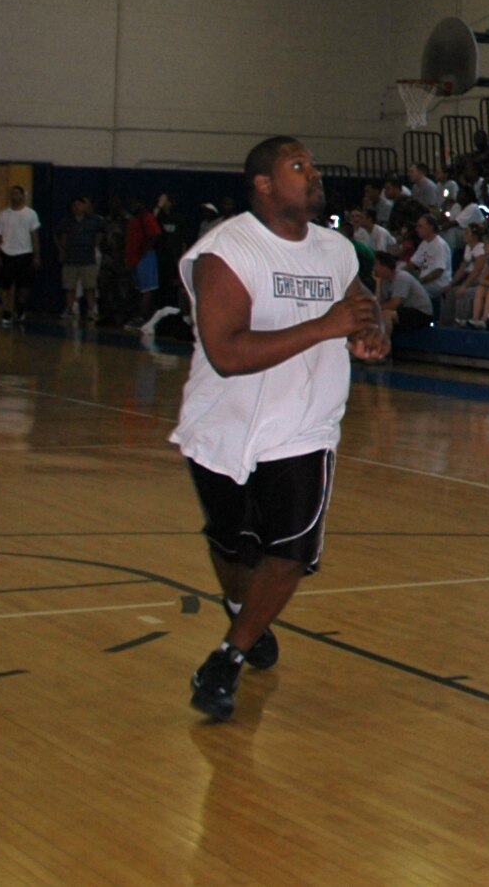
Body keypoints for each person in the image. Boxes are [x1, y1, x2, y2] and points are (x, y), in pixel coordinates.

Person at [174, 136, 389, 722]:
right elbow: (225, 353)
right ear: (264, 184)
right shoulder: (226, 252)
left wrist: (370, 329)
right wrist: (325, 327)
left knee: (290, 553)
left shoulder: (336, 249)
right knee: (232, 544)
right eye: (300, 166)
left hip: (305, 426)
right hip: (225, 423)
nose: (314, 175)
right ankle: (242, 607)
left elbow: (357, 297)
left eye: (314, 166)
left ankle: (228, 656)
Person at [0, 184, 41, 326]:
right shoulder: (3, 214)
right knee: (4, 287)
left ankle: (20, 309)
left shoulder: (31, 214)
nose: (14, 197)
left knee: (24, 288)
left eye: (17, 194)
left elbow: (34, 236)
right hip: (7, 254)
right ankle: (6, 311)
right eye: (12, 194)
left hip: (25, 254)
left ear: (22, 196)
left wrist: (37, 255)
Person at [56, 195, 106, 323]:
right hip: (71, 258)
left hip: (87, 257)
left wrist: (94, 244)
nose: (77, 207)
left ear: (85, 206)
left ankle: (91, 310)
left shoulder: (94, 220)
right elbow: (61, 236)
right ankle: (69, 309)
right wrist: (62, 250)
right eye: (74, 205)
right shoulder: (67, 221)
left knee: (90, 286)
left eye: (79, 204)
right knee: (69, 286)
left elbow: (101, 232)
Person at [374, 251, 435, 334]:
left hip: (421, 313)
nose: (374, 268)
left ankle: (385, 342)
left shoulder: (401, 277)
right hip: (405, 310)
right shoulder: (385, 281)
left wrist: (375, 309)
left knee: (387, 314)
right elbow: (380, 302)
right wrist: (378, 282)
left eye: (376, 265)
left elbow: (394, 304)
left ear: (384, 266)